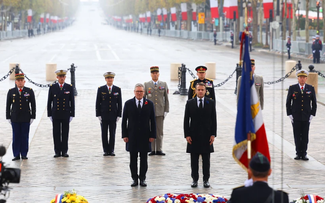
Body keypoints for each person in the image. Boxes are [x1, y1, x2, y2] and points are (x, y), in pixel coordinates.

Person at [122, 83, 156, 187]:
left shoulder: (149, 104)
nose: (139, 93)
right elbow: (124, 121)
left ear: (144, 92)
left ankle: (142, 178)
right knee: (133, 158)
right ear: (134, 92)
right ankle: (134, 179)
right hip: (132, 135)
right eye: (137, 91)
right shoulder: (128, 104)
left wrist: (152, 135)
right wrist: (124, 135)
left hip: (145, 136)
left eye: (141, 91)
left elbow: (153, 121)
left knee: (144, 159)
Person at [184, 82, 216, 188]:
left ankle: (206, 179)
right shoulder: (190, 103)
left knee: (206, 160)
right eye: (199, 90)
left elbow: (214, 119)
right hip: (193, 135)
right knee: (194, 160)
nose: (201, 91)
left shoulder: (210, 102)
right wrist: (187, 135)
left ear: (205, 91)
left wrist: (213, 134)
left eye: (202, 90)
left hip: (207, 136)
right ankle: (194, 179)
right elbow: (186, 120)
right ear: (195, 91)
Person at [286, 69, 316, 161]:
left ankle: (304, 153)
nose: (302, 79)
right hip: (296, 116)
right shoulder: (293, 88)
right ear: (298, 78)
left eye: (304, 77)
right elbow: (288, 102)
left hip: (306, 116)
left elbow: (314, 103)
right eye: (300, 77)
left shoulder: (310, 88)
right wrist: (290, 114)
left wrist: (312, 114)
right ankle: (298, 153)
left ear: (306, 78)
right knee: (297, 135)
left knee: (305, 135)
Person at [6, 73, 36, 161]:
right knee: (16, 136)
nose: (20, 83)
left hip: (25, 117)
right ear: (15, 82)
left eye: (21, 81)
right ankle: (16, 154)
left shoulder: (29, 91)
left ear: (24, 81)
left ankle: (24, 154)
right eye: (18, 81)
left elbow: (33, 105)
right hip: (15, 118)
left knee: (24, 136)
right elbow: (8, 105)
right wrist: (8, 117)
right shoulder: (11, 91)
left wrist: (32, 116)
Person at [47, 70, 75, 158]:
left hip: (66, 113)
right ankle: (57, 151)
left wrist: (72, 114)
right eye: (60, 77)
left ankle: (64, 151)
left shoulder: (69, 87)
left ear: (65, 77)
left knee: (65, 133)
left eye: (63, 77)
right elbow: (49, 101)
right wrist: (49, 114)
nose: (62, 78)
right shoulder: (53, 87)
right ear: (57, 77)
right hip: (56, 113)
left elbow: (72, 102)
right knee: (56, 133)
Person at [144, 66, 169, 156]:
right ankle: (151, 149)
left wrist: (166, 110)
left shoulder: (163, 84)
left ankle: (159, 149)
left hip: (160, 111)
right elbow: (144, 99)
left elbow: (166, 98)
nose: (155, 75)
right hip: (150, 112)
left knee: (159, 131)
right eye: (153, 73)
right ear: (151, 74)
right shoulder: (146, 84)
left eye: (156, 73)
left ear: (158, 74)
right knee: (150, 130)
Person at [96, 72, 122, 156]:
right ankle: (105, 150)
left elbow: (119, 103)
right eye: (108, 78)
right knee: (104, 133)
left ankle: (111, 150)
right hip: (104, 115)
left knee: (112, 133)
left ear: (113, 79)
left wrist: (119, 114)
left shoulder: (117, 89)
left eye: (111, 78)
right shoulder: (101, 89)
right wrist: (98, 114)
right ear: (105, 79)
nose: (110, 80)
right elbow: (98, 102)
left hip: (113, 115)